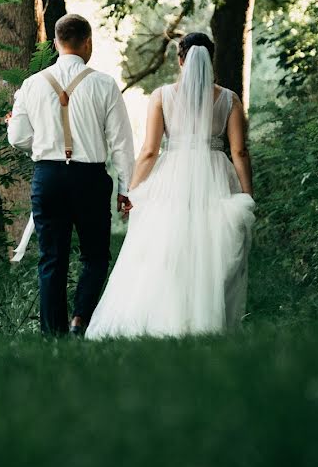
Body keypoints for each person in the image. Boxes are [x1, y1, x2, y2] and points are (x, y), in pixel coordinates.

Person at [86, 33, 256, 340]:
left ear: (180, 60)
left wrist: (132, 191)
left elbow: (150, 151)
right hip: (216, 176)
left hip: (172, 176)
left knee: (166, 247)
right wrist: (247, 194)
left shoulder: (162, 96)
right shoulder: (229, 99)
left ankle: (167, 318)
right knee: (210, 248)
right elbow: (240, 152)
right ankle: (206, 320)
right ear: (211, 58)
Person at [7, 14, 135, 336]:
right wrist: (125, 187)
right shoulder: (104, 84)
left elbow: (17, 138)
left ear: (55, 43)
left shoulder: (31, 84)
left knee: (51, 258)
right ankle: (81, 318)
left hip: (47, 177)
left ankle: (53, 335)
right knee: (95, 255)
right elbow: (121, 142)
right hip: (89, 179)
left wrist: (42, 142)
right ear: (88, 42)